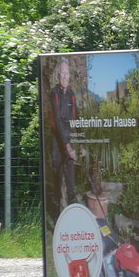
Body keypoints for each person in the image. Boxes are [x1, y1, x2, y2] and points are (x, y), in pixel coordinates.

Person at [46, 56, 80, 225]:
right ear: (58, 76)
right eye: (62, 73)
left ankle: (75, 220)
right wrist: (66, 146)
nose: (65, 76)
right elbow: (58, 121)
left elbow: (75, 119)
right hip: (57, 140)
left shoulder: (72, 95)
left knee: (71, 177)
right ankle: (57, 220)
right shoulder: (55, 93)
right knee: (58, 178)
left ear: (70, 75)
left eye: (67, 73)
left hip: (68, 137)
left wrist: (78, 144)